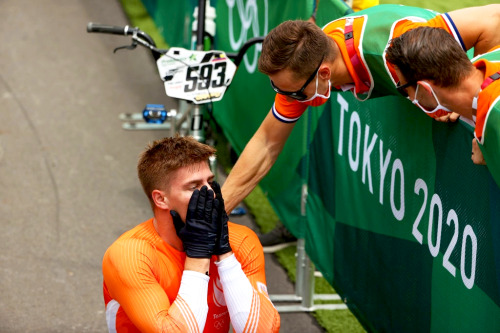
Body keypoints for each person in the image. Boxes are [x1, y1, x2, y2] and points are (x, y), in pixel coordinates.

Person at [221, 4, 500, 224]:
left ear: (324, 74)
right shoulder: (314, 59)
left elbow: (493, 20)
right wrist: (216, 211)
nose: (288, 98)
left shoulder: (398, 47)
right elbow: (267, 142)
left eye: (294, 93)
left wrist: (476, 112)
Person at [102, 136, 280, 332]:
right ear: (161, 199)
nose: (210, 194)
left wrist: (225, 254)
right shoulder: (130, 254)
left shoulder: (241, 241)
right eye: (194, 187)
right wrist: (198, 254)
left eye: (210, 182)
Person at [385, 26, 500, 188]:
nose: (409, 98)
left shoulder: (495, 118)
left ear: (426, 89)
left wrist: (492, 153)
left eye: (404, 89)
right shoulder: (491, 58)